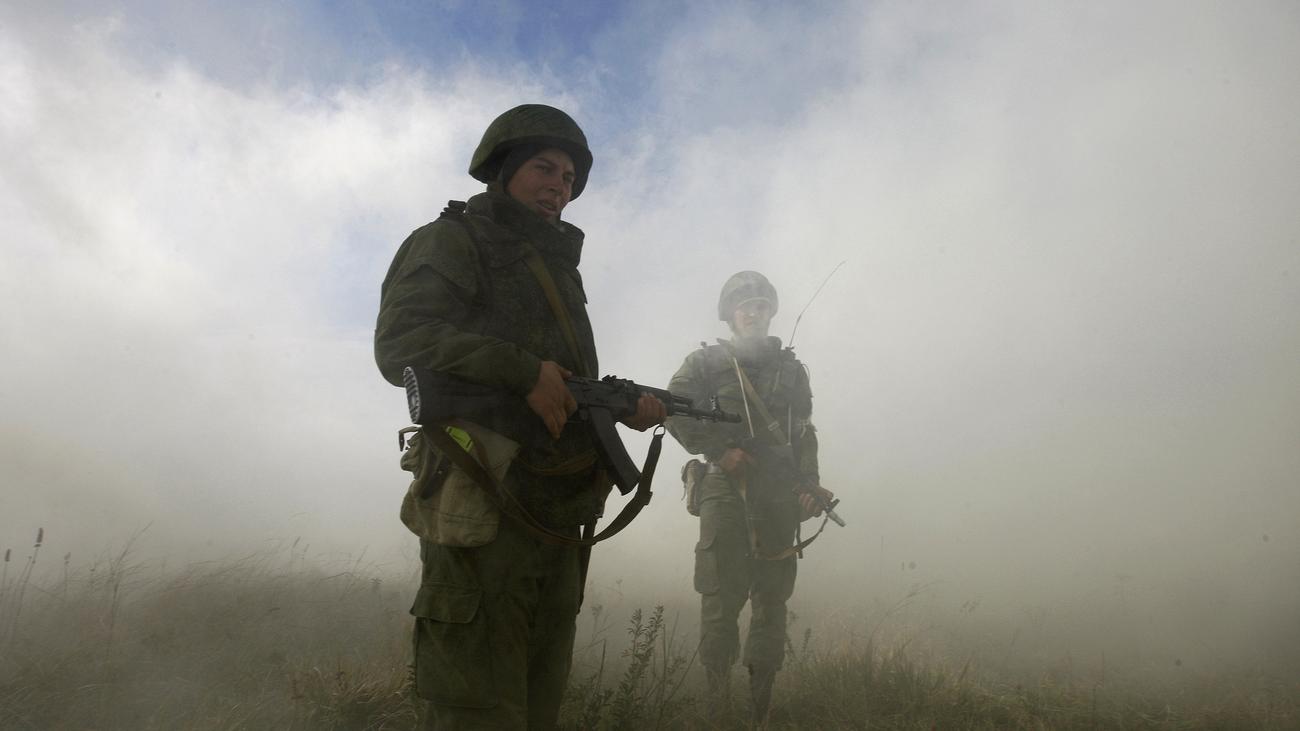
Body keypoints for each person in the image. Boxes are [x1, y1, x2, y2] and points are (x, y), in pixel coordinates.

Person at [374, 104, 664, 729]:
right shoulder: (452, 240)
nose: (558, 186)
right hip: (486, 499)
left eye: (568, 178)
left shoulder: (557, 267)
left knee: (538, 699)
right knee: (475, 706)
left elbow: (562, 387)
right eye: (544, 168)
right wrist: (520, 370)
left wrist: (617, 407)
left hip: (556, 516)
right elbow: (402, 341)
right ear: (503, 168)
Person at [664, 270, 835, 724]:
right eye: (745, 305)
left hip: (779, 494)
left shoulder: (791, 369)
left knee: (772, 599)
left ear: (770, 312)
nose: (754, 312)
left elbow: (803, 432)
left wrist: (810, 482)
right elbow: (671, 409)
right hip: (724, 488)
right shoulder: (704, 365)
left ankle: (761, 708)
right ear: (730, 315)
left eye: (761, 304)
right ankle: (718, 707)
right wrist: (719, 451)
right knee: (720, 595)